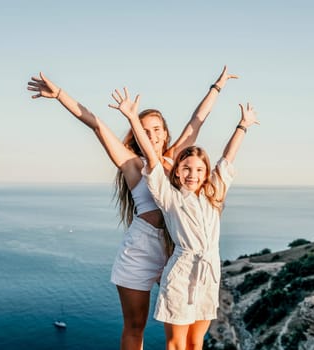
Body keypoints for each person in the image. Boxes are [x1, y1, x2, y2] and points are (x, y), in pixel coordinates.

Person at [26, 67, 237, 350]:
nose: (151, 135)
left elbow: (196, 121)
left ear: (165, 133)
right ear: (136, 135)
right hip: (141, 249)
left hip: (177, 252)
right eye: (145, 131)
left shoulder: (176, 161)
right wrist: (60, 95)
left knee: (181, 335)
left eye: (156, 129)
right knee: (135, 326)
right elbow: (97, 124)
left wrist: (218, 85)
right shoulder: (131, 164)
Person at [111, 89, 259, 350]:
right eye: (186, 168)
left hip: (208, 274)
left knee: (196, 342)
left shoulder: (214, 194)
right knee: (178, 344)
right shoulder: (169, 197)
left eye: (200, 169)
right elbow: (154, 160)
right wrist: (133, 120)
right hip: (180, 274)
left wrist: (242, 126)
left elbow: (227, 158)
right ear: (176, 173)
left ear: (206, 173)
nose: (193, 174)